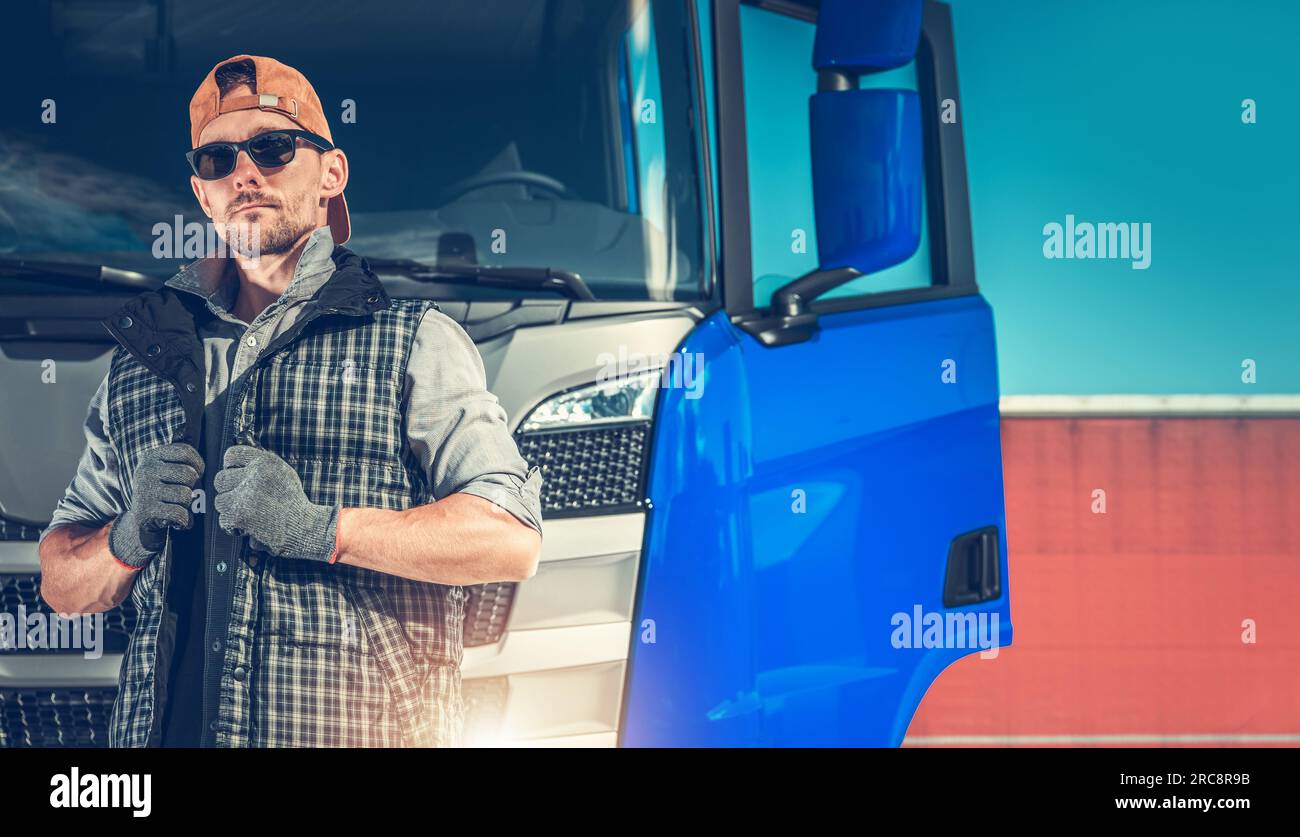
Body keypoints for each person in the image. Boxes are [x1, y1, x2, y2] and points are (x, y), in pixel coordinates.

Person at [37, 54, 543, 747]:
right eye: (218, 159)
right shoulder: (139, 366)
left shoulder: (414, 342)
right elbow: (62, 586)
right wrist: (125, 538)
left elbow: (509, 539)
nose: (244, 172)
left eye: (272, 148)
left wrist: (322, 529)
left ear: (331, 172)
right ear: (202, 193)